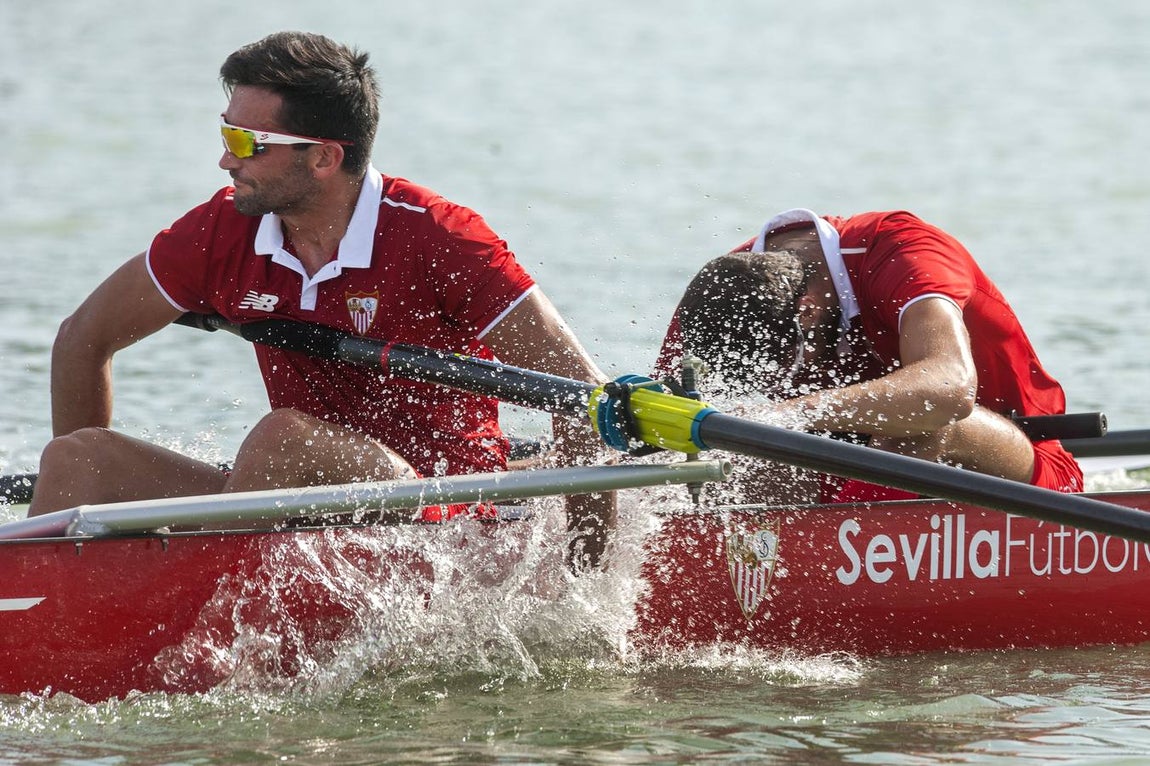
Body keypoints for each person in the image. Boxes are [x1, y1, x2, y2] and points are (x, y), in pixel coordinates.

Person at [29, 32, 614, 567]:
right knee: (76, 458)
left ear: (325, 157)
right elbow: (82, 341)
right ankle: (58, 600)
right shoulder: (223, 228)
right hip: (284, 488)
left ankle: (204, 592)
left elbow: (581, 394)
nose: (226, 159)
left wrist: (583, 572)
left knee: (282, 439)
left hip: (438, 505)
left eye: (246, 142)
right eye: (224, 133)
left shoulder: (441, 238)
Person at [655, 207, 1082, 504]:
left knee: (922, 418)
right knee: (725, 452)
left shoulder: (907, 250)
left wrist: (783, 416)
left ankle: (830, 560)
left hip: (1026, 473)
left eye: (782, 361)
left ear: (806, 311)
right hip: (848, 468)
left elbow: (949, 390)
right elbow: (670, 418)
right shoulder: (725, 288)